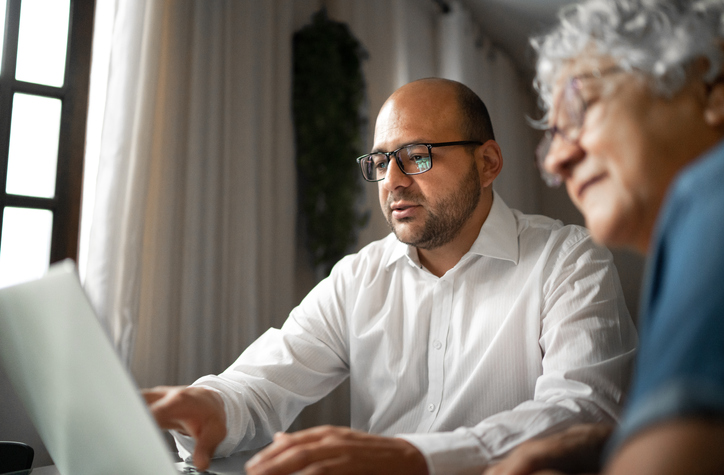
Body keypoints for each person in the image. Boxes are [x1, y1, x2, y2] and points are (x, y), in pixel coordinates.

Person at [144, 78, 636, 475]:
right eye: (380, 161)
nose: (394, 181)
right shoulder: (359, 277)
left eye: (417, 155)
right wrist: (211, 405)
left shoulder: (569, 260)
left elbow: (583, 413)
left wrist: (417, 459)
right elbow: (263, 385)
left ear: (487, 163)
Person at [484, 0, 724, 474]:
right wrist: (617, 444)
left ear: (712, 92)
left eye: (581, 109)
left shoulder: (709, 192)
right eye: (551, 138)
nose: (556, 160)